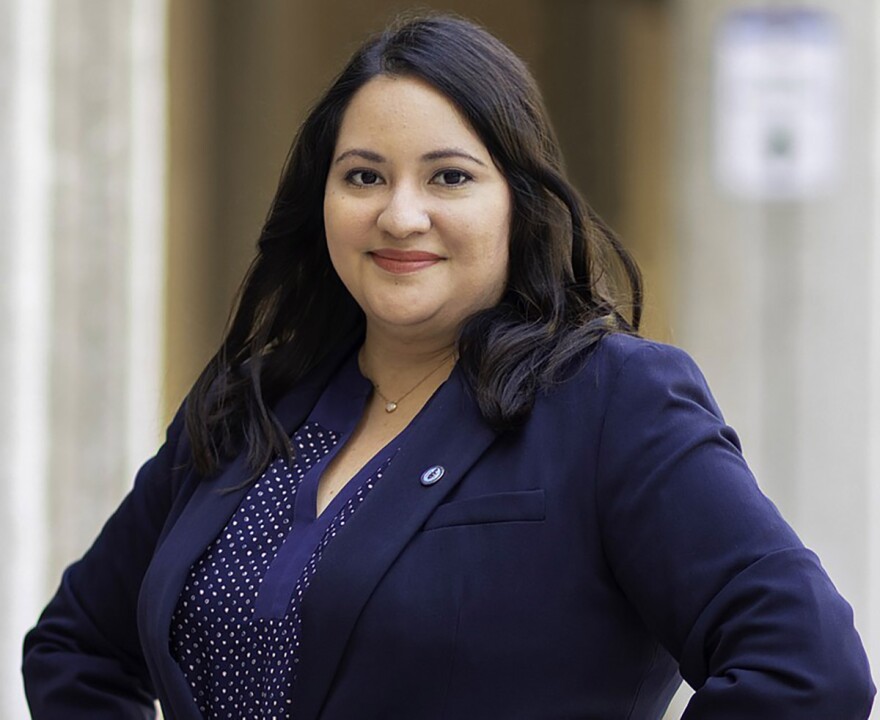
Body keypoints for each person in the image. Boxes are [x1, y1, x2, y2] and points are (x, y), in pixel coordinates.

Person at [22, 13, 874, 720]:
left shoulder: (613, 403)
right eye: (364, 176)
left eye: (449, 177)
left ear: (518, 205)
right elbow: (77, 647)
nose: (401, 214)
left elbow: (807, 670)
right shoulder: (253, 400)